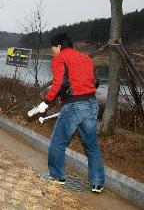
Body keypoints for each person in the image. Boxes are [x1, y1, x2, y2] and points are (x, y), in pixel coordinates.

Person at [29, 33, 105, 193]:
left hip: (73, 106)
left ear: (59, 46)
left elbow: (59, 83)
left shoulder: (60, 58)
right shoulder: (86, 58)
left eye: (53, 48)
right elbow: (96, 82)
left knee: (58, 142)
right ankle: (97, 183)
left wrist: (46, 102)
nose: (52, 52)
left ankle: (56, 176)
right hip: (91, 104)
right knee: (91, 146)